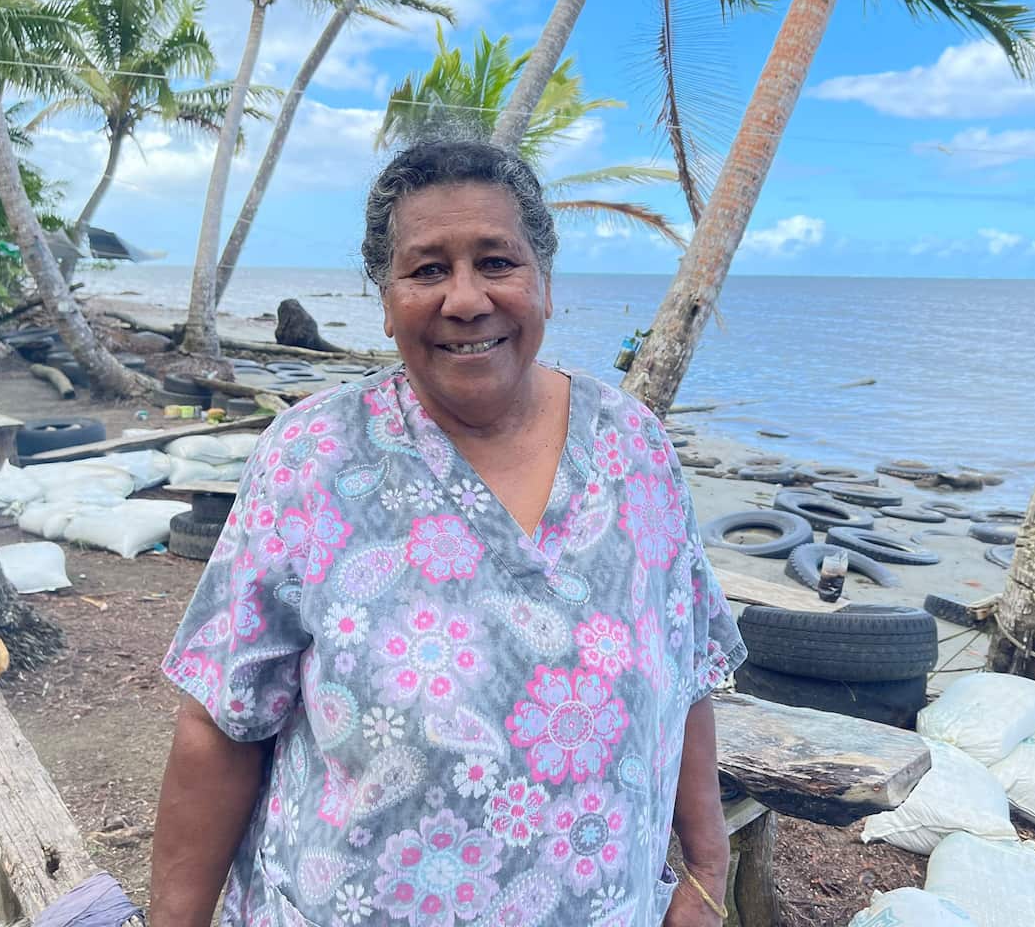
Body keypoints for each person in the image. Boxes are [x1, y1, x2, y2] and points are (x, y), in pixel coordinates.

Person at [149, 140, 747, 927]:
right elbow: (220, 722)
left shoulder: (635, 451)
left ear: (545, 282)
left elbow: (686, 676)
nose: (465, 300)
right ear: (385, 297)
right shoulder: (314, 457)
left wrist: (704, 873)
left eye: (496, 262)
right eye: (428, 269)